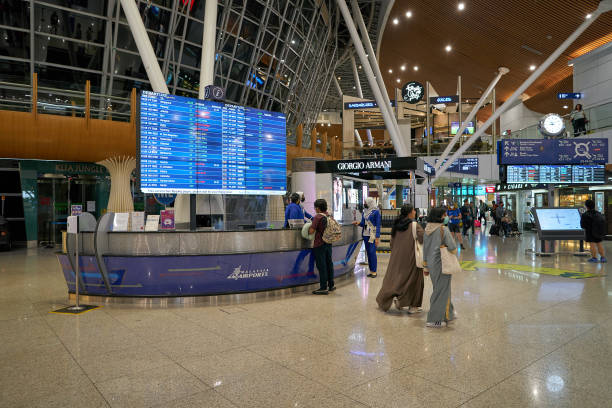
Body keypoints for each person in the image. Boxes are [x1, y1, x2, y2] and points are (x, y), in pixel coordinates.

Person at [375, 204, 425, 314]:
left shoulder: (396, 225)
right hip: (411, 258)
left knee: (395, 279)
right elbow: (423, 239)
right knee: (415, 280)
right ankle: (413, 306)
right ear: (409, 213)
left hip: (396, 257)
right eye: (413, 211)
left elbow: (391, 243)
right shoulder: (414, 225)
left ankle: (386, 299)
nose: (415, 212)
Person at [423, 208, 457, 328]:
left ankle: (449, 313)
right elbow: (452, 247)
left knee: (440, 288)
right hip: (443, 263)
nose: (446, 216)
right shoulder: (443, 229)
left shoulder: (427, 229)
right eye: (445, 215)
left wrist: (425, 267)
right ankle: (434, 319)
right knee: (441, 290)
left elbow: (425, 249)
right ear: (440, 216)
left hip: (432, 265)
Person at [309, 199, 335, 294]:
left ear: (318, 208)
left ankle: (323, 287)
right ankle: (331, 285)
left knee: (322, 265)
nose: (315, 209)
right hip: (328, 243)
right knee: (329, 263)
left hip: (319, 244)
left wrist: (308, 229)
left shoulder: (318, 217)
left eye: (315, 207)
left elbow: (311, 231)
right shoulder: (329, 215)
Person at [353, 197, 381, 278]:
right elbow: (363, 223)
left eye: (365, 202)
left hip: (372, 235)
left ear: (369, 203)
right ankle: (371, 270)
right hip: (365, 235)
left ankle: (374, 271)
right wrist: (358, 223)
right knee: (368, 253)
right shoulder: (365, 212)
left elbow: (378, 225)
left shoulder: (376, 212)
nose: (364, 203)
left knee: (372, 253)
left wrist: (377, 237)